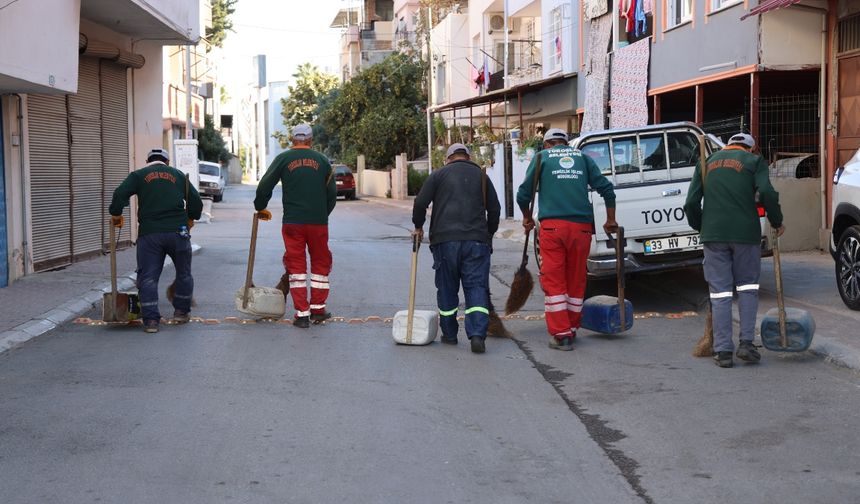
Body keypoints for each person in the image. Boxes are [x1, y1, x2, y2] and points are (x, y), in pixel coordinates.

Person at [684, 132, 784, 368]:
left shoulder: (705, 162)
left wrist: (703, 226)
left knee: (720, 293)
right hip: (745, 235)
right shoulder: (753, 161)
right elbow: (767, 193)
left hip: (714, 236)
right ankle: (747, 344)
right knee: (748, 289)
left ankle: (722, 351)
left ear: (729, 146)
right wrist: (777, 221)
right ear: (751, 148)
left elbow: (690, 203)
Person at [516, 129, 617, 351]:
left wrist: (526, 218)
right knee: (576, 278)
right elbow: (607, 189)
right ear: (565, 143)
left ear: (547, 144)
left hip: (553, 228)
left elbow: (523, 194)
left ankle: (561, 334)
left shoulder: (541, 158)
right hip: (581, 229)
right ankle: (571, 327)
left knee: (554, 279)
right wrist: (610, 220)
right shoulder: (582, 158)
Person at [412, 143, 501, 354]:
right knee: (476, 287)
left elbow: (420, 203)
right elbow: (495, 209)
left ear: (448, 158)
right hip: (476, 242)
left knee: (447, 287)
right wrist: (488, 233)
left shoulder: (438, 175)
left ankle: (450, 334)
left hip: (444, 241)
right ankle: (478, 335)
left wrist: (418, 226)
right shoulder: (481, 176)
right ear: (468, 157)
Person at [109, 148, 203, 333]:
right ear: (166, 162)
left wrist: (116, 213)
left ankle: (151, 321)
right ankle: (181, 312)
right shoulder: (178, 176)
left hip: (150, 234)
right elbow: (196, 202)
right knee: (184, 273)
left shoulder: (138, 175)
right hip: (178, 232)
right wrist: (191, 217)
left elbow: (119, 194)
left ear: (148, 160)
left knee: (148, 276)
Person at [255, 123, 337, 329]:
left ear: (292, 140)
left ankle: (302, 315)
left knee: (296, 266)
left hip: (292, 222)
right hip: (318, 223)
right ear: (310, 140)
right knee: (320, 263)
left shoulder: (283, 159)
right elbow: (332, 196)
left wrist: (260, 206)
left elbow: (265, 184)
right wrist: (321, 214)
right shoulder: (323, 161)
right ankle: (318, 309)